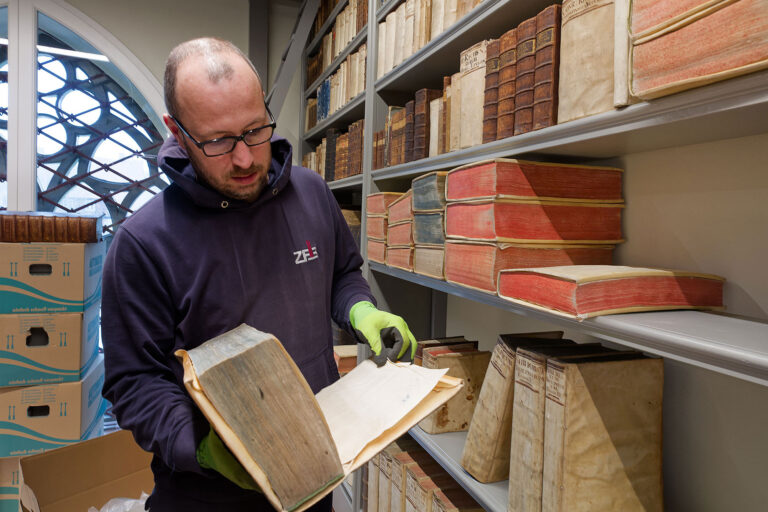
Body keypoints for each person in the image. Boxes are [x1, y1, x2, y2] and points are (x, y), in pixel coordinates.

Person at [101, 37, 416, 512]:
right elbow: (135, 383)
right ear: (177, 131)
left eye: (254, 130)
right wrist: (203, 447)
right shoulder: (142, 244)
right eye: (218, 141)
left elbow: (341, 273)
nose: (245, 158)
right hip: (205, 496)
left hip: (314, 477)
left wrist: (362, 310)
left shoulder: (311, 192)